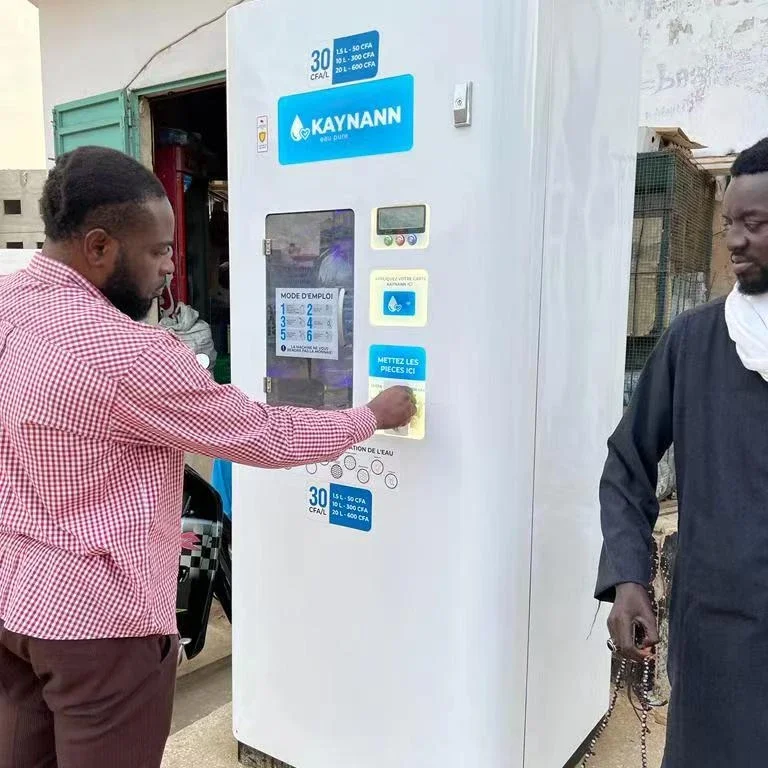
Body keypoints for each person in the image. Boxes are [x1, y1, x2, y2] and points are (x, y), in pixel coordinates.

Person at [0, 146, 416, 768]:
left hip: (14, 604)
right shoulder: (127, 353)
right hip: (101, 628)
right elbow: (263, 434)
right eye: (157, 250)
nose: (171, 266)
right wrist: (373, 416)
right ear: (98, 247)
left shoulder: (11, 302)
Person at [597, 136, 768, 767]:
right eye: (730, 223)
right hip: (715, 642)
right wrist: (627, 577)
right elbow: (627, 466)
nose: (735, 240)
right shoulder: (694, 344)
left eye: (756, 224)